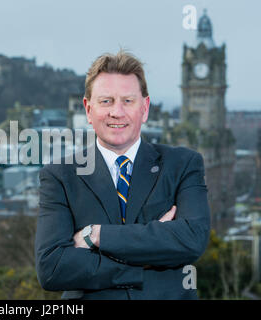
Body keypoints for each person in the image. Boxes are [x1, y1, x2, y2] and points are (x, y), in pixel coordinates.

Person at [34, 51, 211, 300]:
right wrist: (146, 257)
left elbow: (192, 240)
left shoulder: (183, 164)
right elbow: (52, 269)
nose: (117, 112)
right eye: (106, 101)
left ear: (145, 108)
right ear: (88, 109)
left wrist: (95, 235)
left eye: (128, 101)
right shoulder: (60, 176)